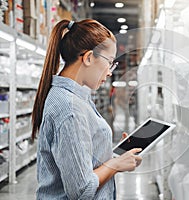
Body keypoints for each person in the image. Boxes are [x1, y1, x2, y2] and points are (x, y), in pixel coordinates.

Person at [31, 19, 142, 199]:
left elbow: (81, 159)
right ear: (89, 57)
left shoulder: (78, 97)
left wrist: (115, 155)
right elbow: (81, 191)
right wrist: (116, 165)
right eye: (110, 62)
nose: (110, 71)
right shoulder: (69, 108)